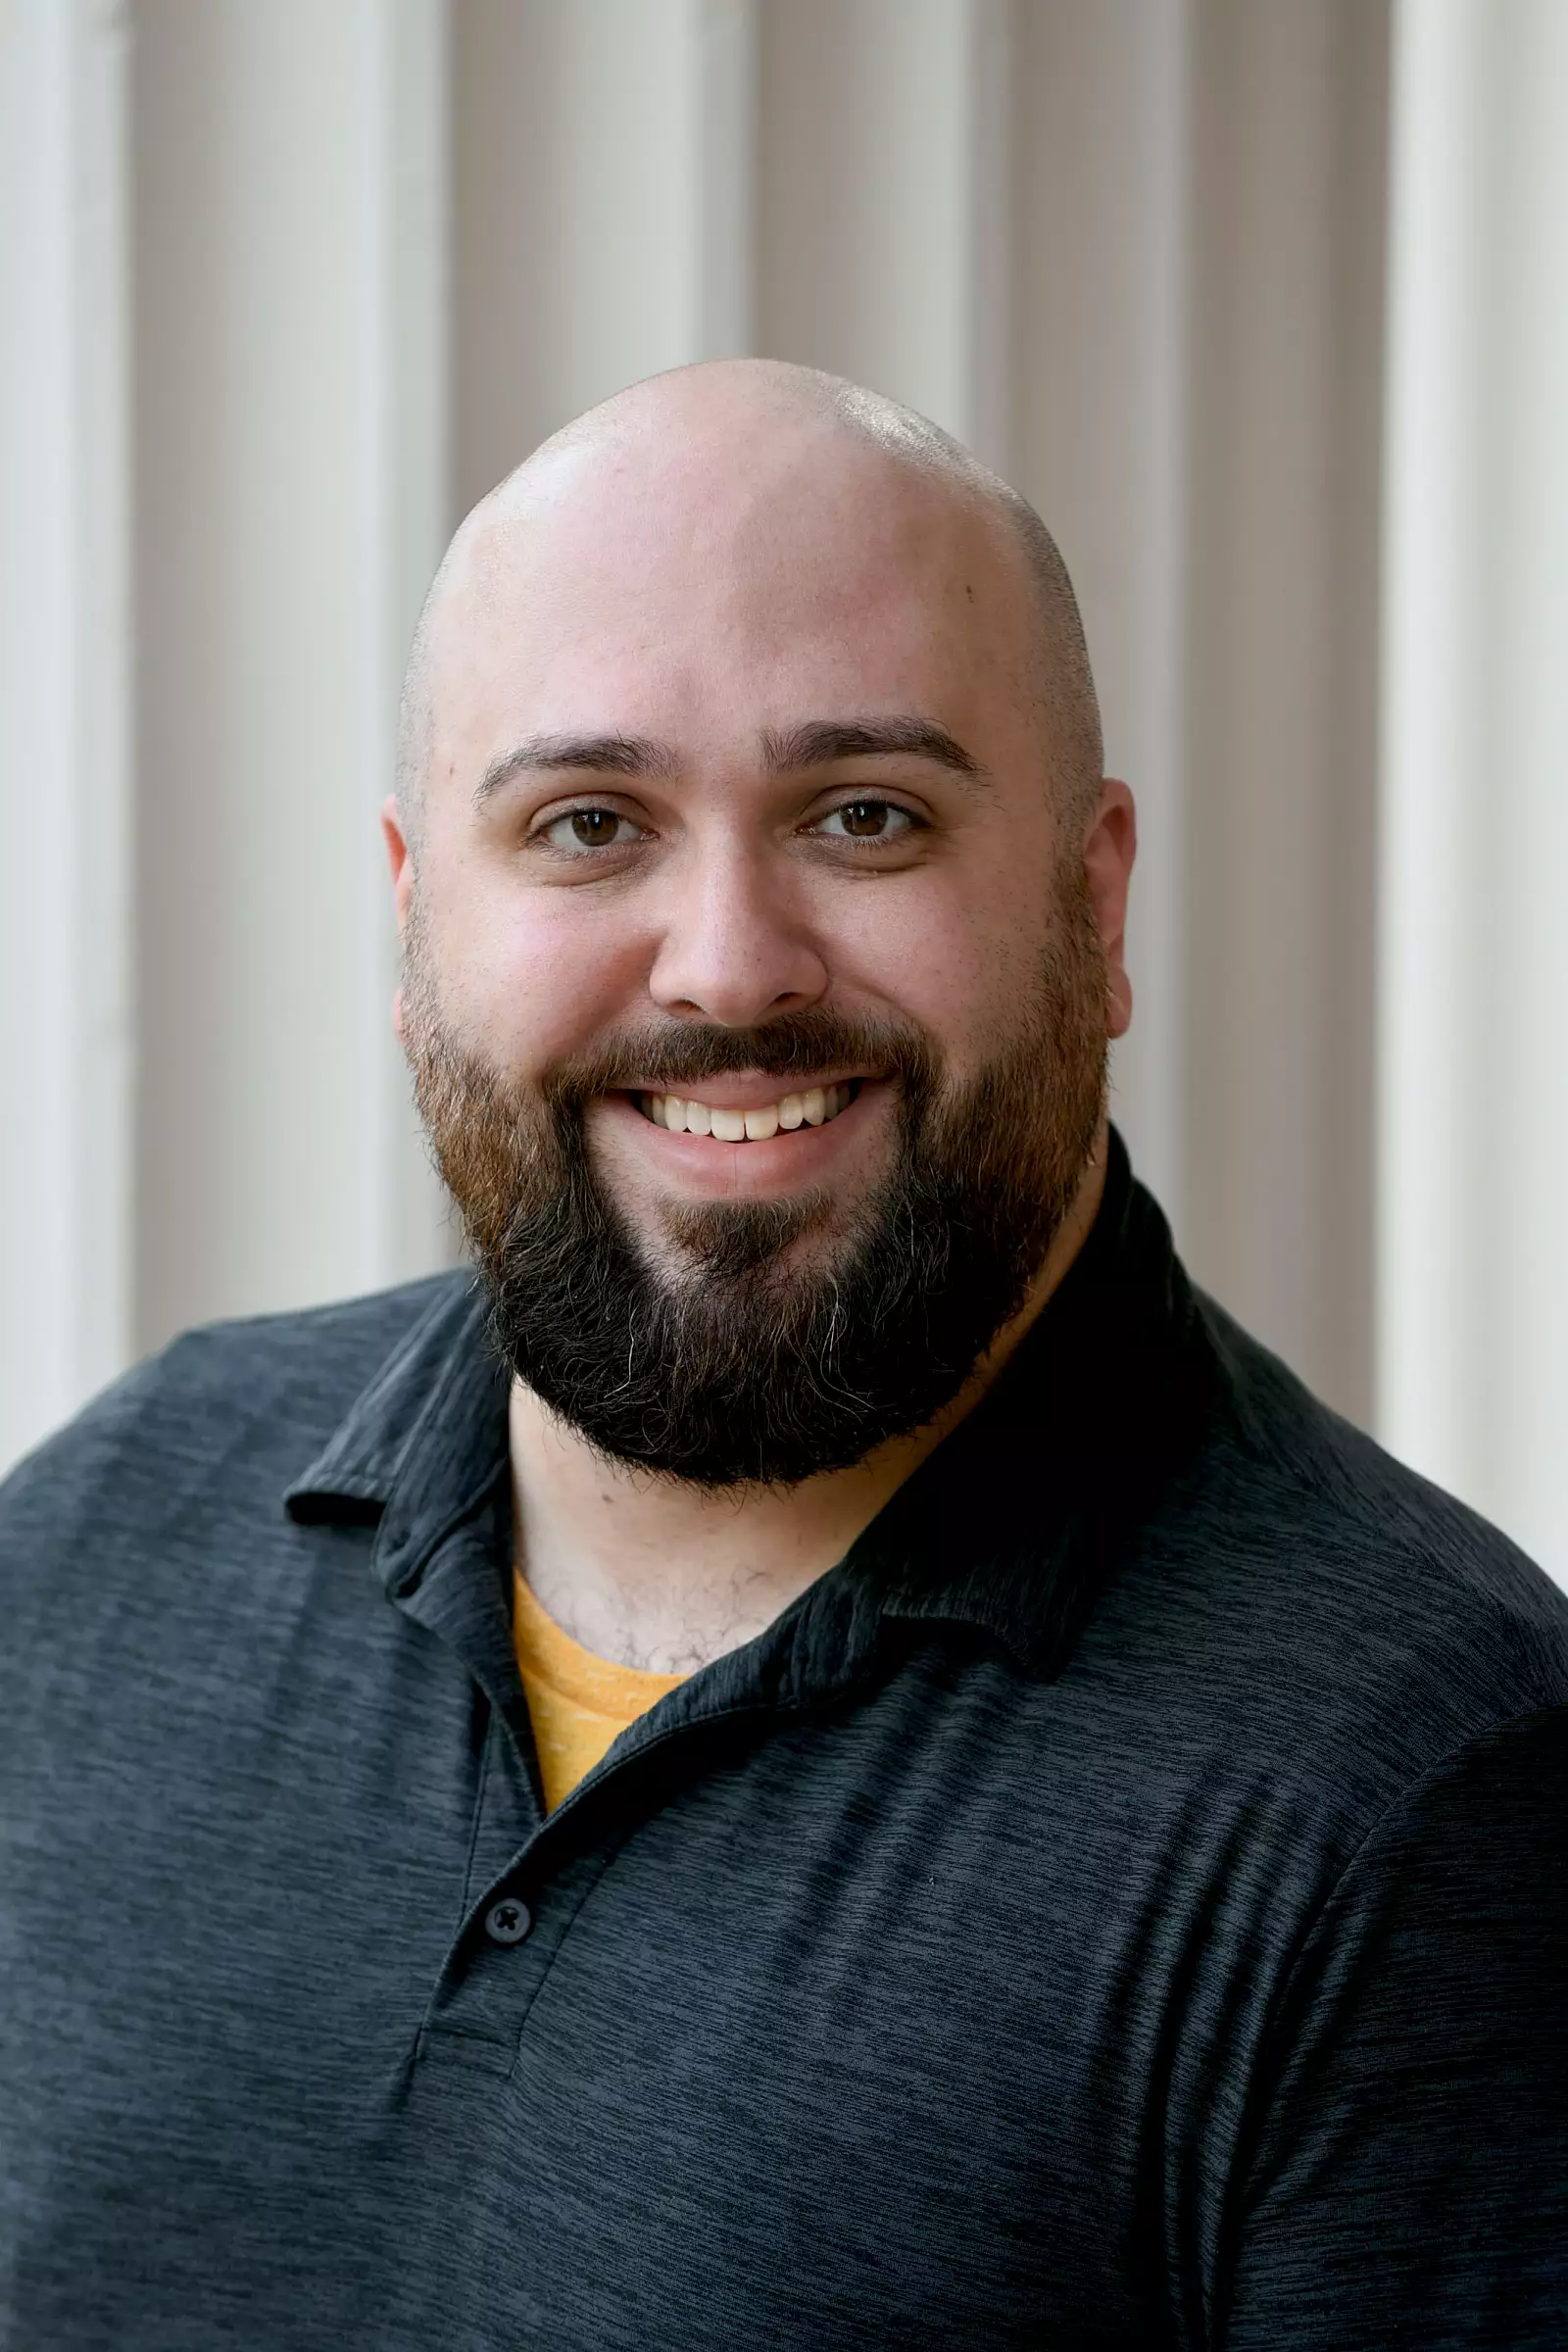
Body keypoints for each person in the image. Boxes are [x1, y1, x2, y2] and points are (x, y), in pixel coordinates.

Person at [1, 360, 1564, 2352]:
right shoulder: (93, 1552)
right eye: (585, 823)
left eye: (864, 815)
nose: (727, 963)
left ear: (1091, 907)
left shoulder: (1425, 1802)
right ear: (412, 927)